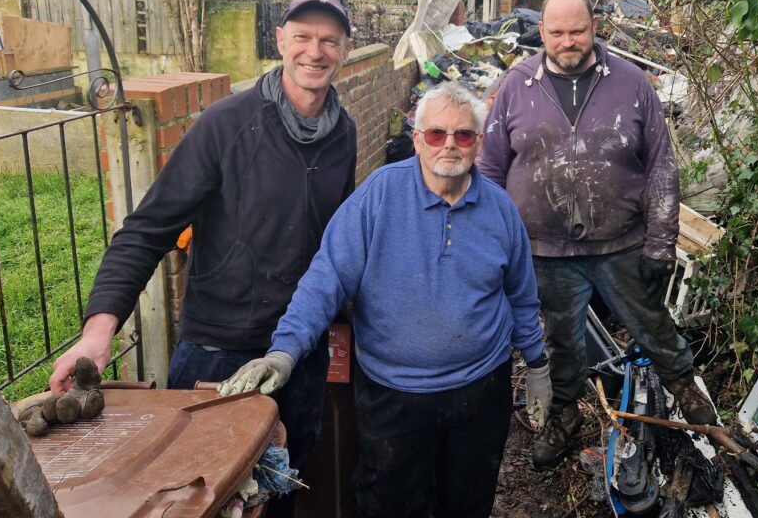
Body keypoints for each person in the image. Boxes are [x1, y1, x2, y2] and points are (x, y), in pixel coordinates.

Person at [48, 0, 358, 518]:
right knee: (202, 498)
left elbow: (334, 246)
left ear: (346, 50)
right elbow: (146, 231)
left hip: (296, 355)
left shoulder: (342, 133)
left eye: (329, 40)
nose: (315, 51)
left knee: (283, 483)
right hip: (218, 351)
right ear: (280, 41)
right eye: (302, 36)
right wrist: (98, 334)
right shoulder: (226, 125)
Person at [219, 81, 552, 518]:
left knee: (468, 500)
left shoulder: (500, 210)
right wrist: (285, 351)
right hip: (395, 395)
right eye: (436, 134)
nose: (449, 145)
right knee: (388, 502)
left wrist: (539, 366)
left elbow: (522, 298)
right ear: (417, 140)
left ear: (479, 143)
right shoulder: (379, 196)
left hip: (480, 389)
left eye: (463, 135)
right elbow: (327, 278)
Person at [478, 0, 716, 470]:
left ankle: (692, 400)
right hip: (544, 251)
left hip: (621, 244)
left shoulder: (632, 83)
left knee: (651, 324)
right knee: (562, 342)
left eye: (578, 30)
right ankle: (565, 418)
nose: (569, 42)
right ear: (541, 31)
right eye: (558, 32)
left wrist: (661, 241)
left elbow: (662, 167)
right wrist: (495, 244)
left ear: (596, 27)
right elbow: (489, 170)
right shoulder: (515, 86)